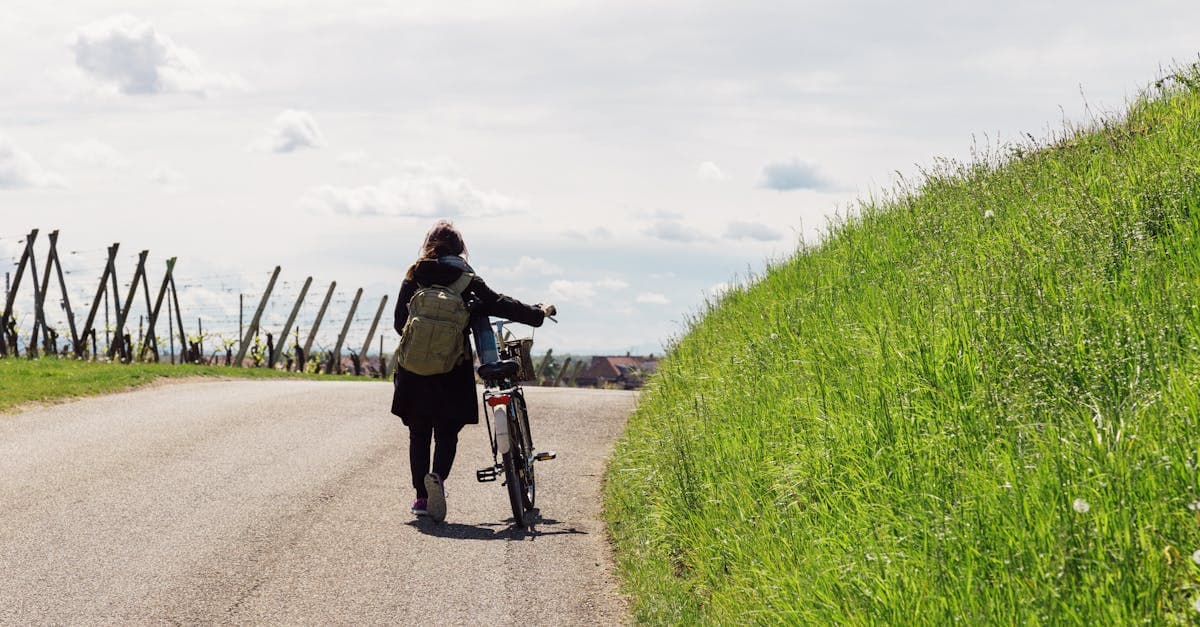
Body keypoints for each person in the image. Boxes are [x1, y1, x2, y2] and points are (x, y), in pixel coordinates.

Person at [391, 220, 555, 522]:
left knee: (418, 433)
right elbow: (501, 305)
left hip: (413, 370)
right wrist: (538, 313)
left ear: (427, 245)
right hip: (451, 369)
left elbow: (399, 322)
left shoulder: (415, 275)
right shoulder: (467, 280)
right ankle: (437, 477)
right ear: (461, 249)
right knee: (446, 432)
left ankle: (421, 497)